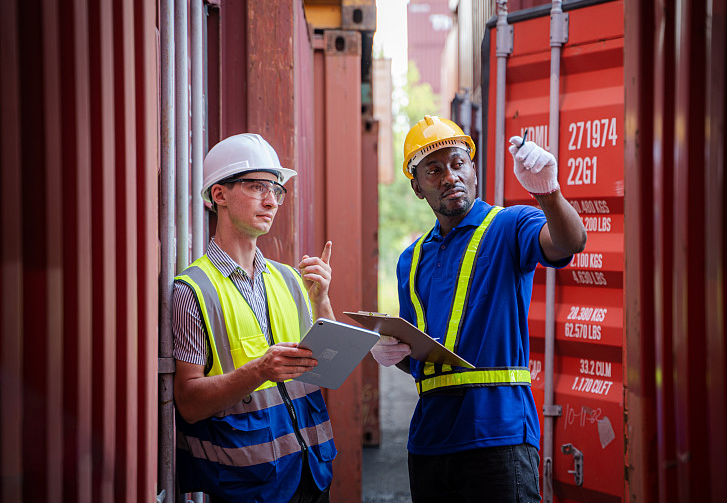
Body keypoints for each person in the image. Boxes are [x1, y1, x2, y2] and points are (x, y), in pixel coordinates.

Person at [370, 115, 587, 502]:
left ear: (473, 170)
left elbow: (570, 242)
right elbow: (421, 356)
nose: (449, 176)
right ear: (417, 187)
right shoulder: (411, 259)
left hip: (498, 435)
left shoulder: (510, 225)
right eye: (433, 170)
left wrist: (549, 193)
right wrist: (395, 353)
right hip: (429, 441)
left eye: (458, 164)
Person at [172, 133, 337, 503]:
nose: (271, 201)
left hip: (312, 472)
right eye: (257, 187)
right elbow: (189, 403)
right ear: (219, 195)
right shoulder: (193, 290)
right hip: (247, 485)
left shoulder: (291, 280)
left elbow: (330, 370)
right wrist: (260, 370)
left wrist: (322, 300)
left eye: (277, 190)